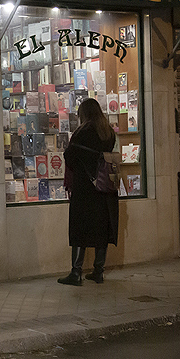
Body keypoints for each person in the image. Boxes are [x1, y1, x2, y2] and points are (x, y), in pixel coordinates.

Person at [58, 98, 119, 286]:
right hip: (105, 188)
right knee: (101, 229)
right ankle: (98, 271)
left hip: (85, 188)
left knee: (79, 228)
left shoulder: (83, 132)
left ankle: (76, 273)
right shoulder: (108, 131)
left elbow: (70, 156)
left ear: (83, 113)